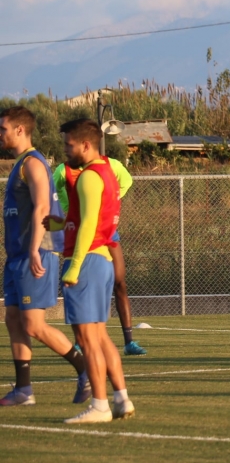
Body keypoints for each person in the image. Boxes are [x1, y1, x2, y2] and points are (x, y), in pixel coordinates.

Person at [0, 107, 90, 407]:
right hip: (17, 257)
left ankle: (85, 369)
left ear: (20, 131)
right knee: (13, 319)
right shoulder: (19, 165)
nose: (1, 134)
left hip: (33, 254)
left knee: (34, 325)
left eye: (4, 129)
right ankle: (24, 390)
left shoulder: (33, 164)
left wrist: (35, 250)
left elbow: (42, 208)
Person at [46, 119, 134, 423]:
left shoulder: (88, 177)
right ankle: (121, 398)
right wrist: (58, 224)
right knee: (99, 336)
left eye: (69, 144)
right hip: (101, 260)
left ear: (86, 145)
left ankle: (99, 405)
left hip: (87, 262)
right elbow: (84, 217)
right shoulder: (105, 173)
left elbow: (88, 226)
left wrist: (74, 268)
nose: (65, 150)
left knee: (88, 338)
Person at [54, 158, 146, 355]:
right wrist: (68, 208)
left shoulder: (109, 164)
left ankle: (129, 341)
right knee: (77, 282)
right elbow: (55, 189)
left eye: (70, 144)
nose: (67, 149)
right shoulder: (64, 170)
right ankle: (80, 340)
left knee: (119, 282)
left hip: (106, 231)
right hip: (80, 231)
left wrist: (111, 201)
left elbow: (126, 180)